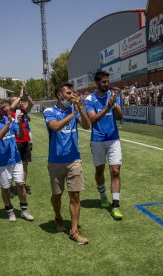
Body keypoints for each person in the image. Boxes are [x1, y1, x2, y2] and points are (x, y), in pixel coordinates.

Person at [43, 83, 90, 245]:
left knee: (75, 195)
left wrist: (80, 109)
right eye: (69, 93)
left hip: (74, 160)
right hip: (55, 161)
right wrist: (72, 114)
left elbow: (86, 125)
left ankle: (74, 231)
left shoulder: (73, 109)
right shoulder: (49, 111)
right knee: (57, 195)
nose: (72, 95)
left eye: (73, 93)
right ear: (59, 95)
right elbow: (55, 127)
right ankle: (58, 216)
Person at [0, 97, 34, 222]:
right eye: (1, 107)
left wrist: (19, 124)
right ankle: (10, 211)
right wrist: (8, 122)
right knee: (5, 188)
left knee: (21, 184)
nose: (4, 108)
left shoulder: (12, 120)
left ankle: (24, 210)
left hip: (16, 159)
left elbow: (21, 135)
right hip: (2, 162)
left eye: (4, 106)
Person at [84, 71, 124, 220]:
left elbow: (120, 117)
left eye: (108, 81)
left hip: (113, 138)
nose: (107, 84)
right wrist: (108, 107)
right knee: (99, 171)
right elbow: (93, 119)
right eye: (104, 82)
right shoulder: (89, 99)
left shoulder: (113, 96)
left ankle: (115, 205)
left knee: (115, 171)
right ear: (97, 83)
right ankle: (102, 196)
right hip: (97, 140)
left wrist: (115, 106)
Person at [9, 84, 34, 194]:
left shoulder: (23, 110)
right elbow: (11, 107)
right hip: (14, 141)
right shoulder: (9, 112)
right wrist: (20, 95)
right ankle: (9, 187)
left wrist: (25, 93)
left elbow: (31, 103)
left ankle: (22, 185)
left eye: (20, 101)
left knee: (25, 164)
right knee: (11, 165)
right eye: (18, 101)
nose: (20, 102)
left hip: (24, 141)